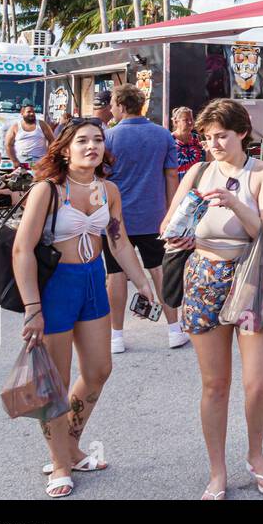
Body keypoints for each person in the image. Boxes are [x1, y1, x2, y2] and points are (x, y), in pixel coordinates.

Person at [12, 118, 156, 497]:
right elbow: (21, 249)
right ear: (64, 148)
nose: (91, 146)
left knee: (98, 370)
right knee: (54, 382)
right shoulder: (47, 190)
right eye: (82, 140)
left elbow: (119, 242)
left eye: (97, 140)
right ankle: (60, 462)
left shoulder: (108, 190)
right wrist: (32, 307)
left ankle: (70, 444)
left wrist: (143, 283)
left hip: (94, 282)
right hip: (56, 288)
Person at [163, 98, 263, 500]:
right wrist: (181, 232)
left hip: (252, 280)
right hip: (204, 278)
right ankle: (217, 471)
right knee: (215, 385)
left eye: (221, 136)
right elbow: (169, 224)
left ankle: (256, 455)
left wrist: (234, 202)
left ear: (242, 134)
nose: (213, 144)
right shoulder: (198, 172)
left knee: (257, 384)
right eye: (207, 137)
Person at [103, 84, 180, 352]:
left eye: (112, 104)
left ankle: (116, 337)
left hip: (116, 219)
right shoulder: (163, 135)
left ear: (122, 106)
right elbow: (171, 175)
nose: (111, 109)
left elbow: (101, 178)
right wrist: (171, 210)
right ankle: (173, 329)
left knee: (115, 274)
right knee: (159, 270)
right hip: (154, 214)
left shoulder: (109, 137)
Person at [5, 105, 54, 170]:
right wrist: (14, 161)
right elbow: (8, 145)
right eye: (29, 112)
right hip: (21, 162)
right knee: (23, 179)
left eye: (33, 112)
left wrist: (48, 157)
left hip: (39, 162)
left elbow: (52, 141)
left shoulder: (42, 125)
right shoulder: (15, 127)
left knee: (39, 179)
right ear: (22, 113)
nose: (32, 114)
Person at [171, 106, 204, 178]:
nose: (190, 122)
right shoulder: (170, 140)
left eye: (191, 119)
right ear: (176, 122)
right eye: (185, 120)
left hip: (195, 181)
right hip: (176, 183)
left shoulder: (197, 138)